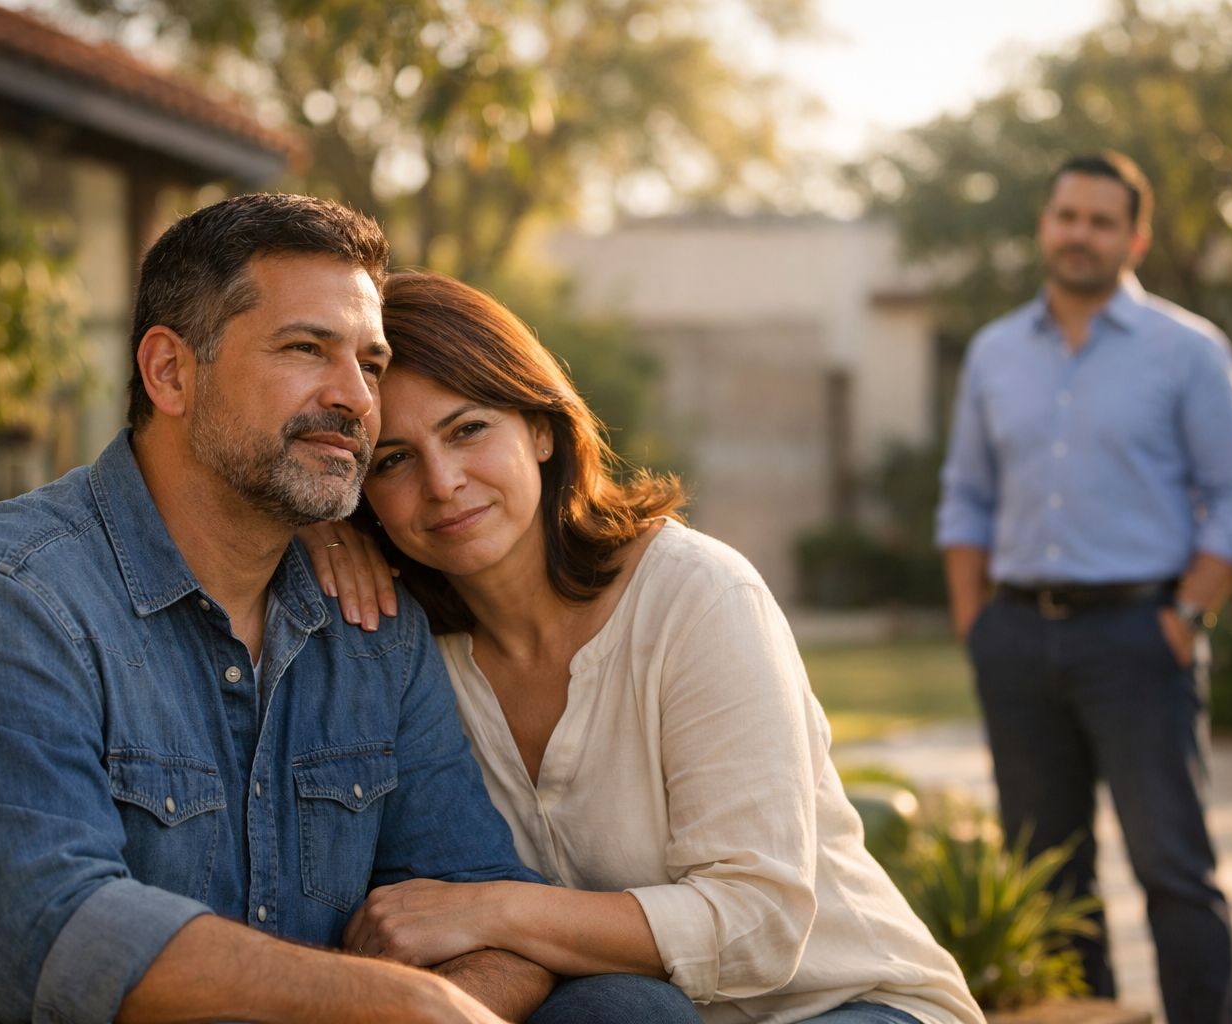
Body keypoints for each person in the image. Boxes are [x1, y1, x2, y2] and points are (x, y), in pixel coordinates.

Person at [0, 194, 562, 1024]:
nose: (358, 400)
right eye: (307, 349)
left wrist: (445, 1007)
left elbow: (490, 908)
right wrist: (403, 1006)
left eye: (370, 364)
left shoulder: (371, 629)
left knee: (625, 1009)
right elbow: (62, 940)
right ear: (170, 372)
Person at [297, 271, 985, 1024]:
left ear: (540, 428)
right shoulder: (407, 651)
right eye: (393, 460)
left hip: (841, 1001)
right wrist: (311, 530)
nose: (443, 482)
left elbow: (759, 924)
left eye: (468, 430)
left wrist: (488, 910)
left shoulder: (697, 597)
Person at [935, 152, 1232, 1024]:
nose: (1080, 233)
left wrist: (1189, 613)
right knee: (1049, 873)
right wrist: (977, 624)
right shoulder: (994, 352)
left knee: (1173, 867)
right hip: (1017, 637)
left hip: (1140, 635)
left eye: (1100, 220)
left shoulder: (1188, 350)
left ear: (1135, 237)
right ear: (1044, 225)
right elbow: (966, 496)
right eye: (1066, 216)